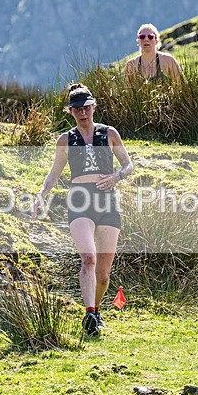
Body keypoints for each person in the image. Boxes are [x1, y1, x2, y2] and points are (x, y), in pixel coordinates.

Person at [31, 83, 133, 336]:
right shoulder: (65, 140)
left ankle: (96, 311)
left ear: (94, 107)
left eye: (86, 108)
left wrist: (116, 177)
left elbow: (128, 164)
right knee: (88, 257)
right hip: (79, 200)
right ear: (70, 112)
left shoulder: (109, 133)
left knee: (104, 273)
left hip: (108, 201)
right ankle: (89, 312)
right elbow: (54, 174)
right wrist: (40, 196)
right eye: (77, 109)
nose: (83, 113)